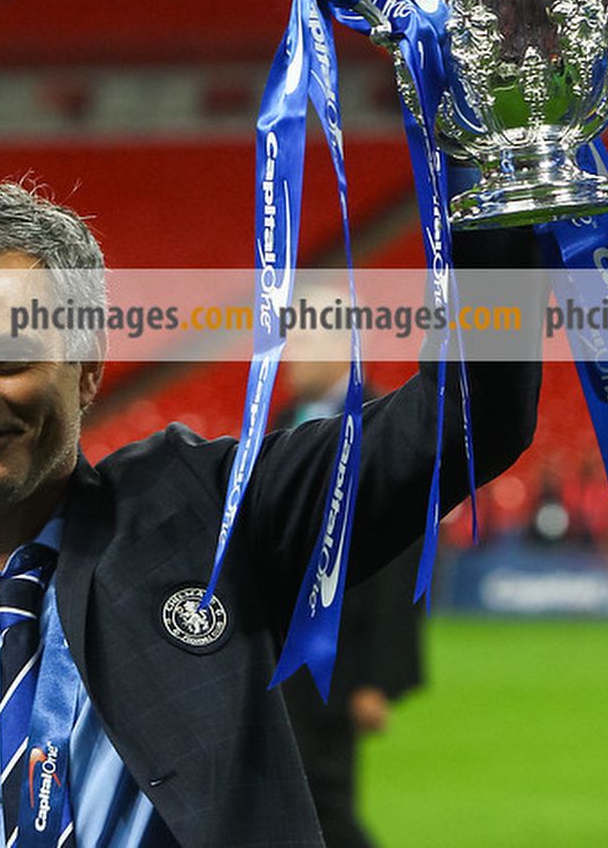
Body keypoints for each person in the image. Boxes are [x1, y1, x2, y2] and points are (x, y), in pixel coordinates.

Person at [0, 182, 542, 847]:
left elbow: (468, 413)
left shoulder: (213, 519)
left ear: (85, 371)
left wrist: (491, 175)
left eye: (8, 358)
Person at [275, 301, 424, 848]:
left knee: (324, 797)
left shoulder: (381, 425)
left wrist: (374, 677)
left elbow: (398, 561)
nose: (290, 355)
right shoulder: (286, 417)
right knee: (288, 794)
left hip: (339, 655)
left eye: (306, 341)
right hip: (275, 646)